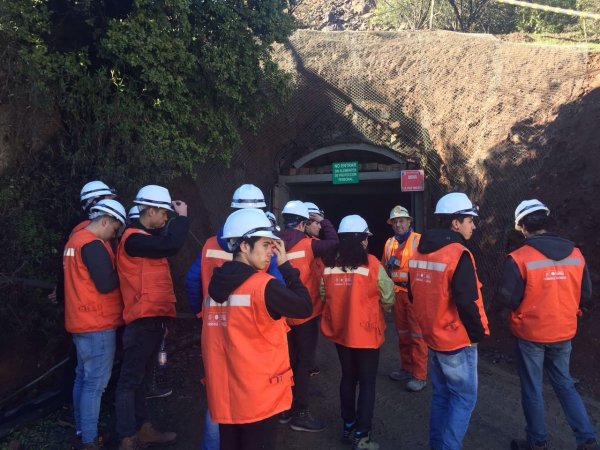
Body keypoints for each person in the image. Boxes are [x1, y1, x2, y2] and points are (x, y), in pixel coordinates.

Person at [202, 208, 312, 450]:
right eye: (265, 244)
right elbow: (305, 307)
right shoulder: (264, 287)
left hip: (225, 397)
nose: (270, 252)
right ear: (243, 246)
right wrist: (286, 267)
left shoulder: (214, 286)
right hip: (257, 399)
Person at [497, 200, 598, 450]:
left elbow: (507, 298)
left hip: (531, 333)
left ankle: (537, 441)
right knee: (565, 383)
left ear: (522, 226)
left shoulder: (519, 257)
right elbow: (586, 296)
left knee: (532, 388)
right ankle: (586, 439)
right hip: (564, 330)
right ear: (546, 220)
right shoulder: (576, 253)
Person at [185, 183, 268, 450]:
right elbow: (275, 287)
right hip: (252, 333)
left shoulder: (211, 243)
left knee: (217, 390)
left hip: (214, 327)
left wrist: (201, 313)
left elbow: (192, 280)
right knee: (251, 393)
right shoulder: (262, 247)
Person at [408, 192, 489, 450]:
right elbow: (467, 301)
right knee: (464, 399)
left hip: (433, 338)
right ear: (455, 223)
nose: (473, 226)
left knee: (442, 397)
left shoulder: (419, 251)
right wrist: (476, 335)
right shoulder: (458, 253)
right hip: (456, 340)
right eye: (469, 220)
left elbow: (413, 294)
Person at [115, 185, 189, 450]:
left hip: (152, 319)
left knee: (141, 379)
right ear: (151, 210)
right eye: (165, 214)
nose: (166, 219)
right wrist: (182, 218)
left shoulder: (145, 240)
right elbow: (171, 243)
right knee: (130, 380)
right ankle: (127, 437)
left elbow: (164, 244)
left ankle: (143, 428)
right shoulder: (133, 240)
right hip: (141, 321)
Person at [321, 215, 395, 450]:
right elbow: (388, 296)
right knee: (367, 383)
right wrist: (382, 311)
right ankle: (362, 436)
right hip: (367, 334)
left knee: (348, 378)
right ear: (362, 240)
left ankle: (348, 426)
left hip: (341, 333)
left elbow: (325, 296)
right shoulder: (372, 264)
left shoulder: (330, 264)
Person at [63, 199, 127, 450]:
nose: (113, 236)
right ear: (105, 220)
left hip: (80, 322)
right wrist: (125, 268)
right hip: (97, 323)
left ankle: (82, 430)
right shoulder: (92, 244)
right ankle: (89, 441)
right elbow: (106, 283)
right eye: (114, 230)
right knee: (95, 384)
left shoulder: (74, 242)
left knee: (82, 378)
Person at [277, 200, 338, 432]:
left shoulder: (274, 242)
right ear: (303, 223)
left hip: (282, 313)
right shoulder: (309, 245)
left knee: (289, 361)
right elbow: (334, 242)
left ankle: (284, 409)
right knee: (304, 363)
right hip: (306, 312)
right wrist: (324, 222)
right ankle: (300, 413)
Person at [381, 205, 427, 392]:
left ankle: (420, 375)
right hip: (398, 294)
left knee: (417, 335)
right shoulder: (389, 243)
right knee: (403, 334)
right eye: (395, 222)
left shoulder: (419, 241)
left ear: (409, 222)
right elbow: (384, 270)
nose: (398, 224)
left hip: (414, 294)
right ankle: (406, 368)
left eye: (402, 221)